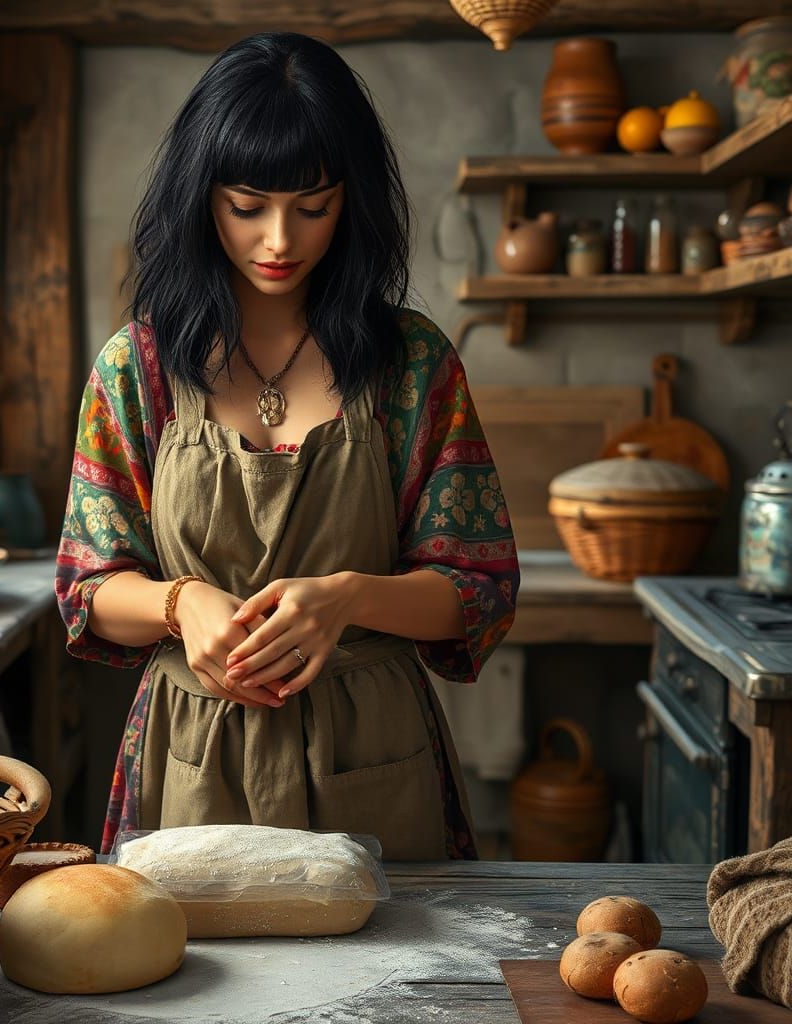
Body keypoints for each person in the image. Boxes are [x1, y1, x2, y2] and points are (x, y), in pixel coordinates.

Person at [56, 31, 518, 861]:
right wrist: (180, 603)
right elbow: (86, 587)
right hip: (192, 762)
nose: (279, 239)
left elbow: (477, 587)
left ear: (352, 201)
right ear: (202, 198)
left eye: (313, 207)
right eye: (248, 206)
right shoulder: (138, 368)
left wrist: (347, 598)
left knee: (394, 947)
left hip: (374, 754)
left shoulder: (412, 362)